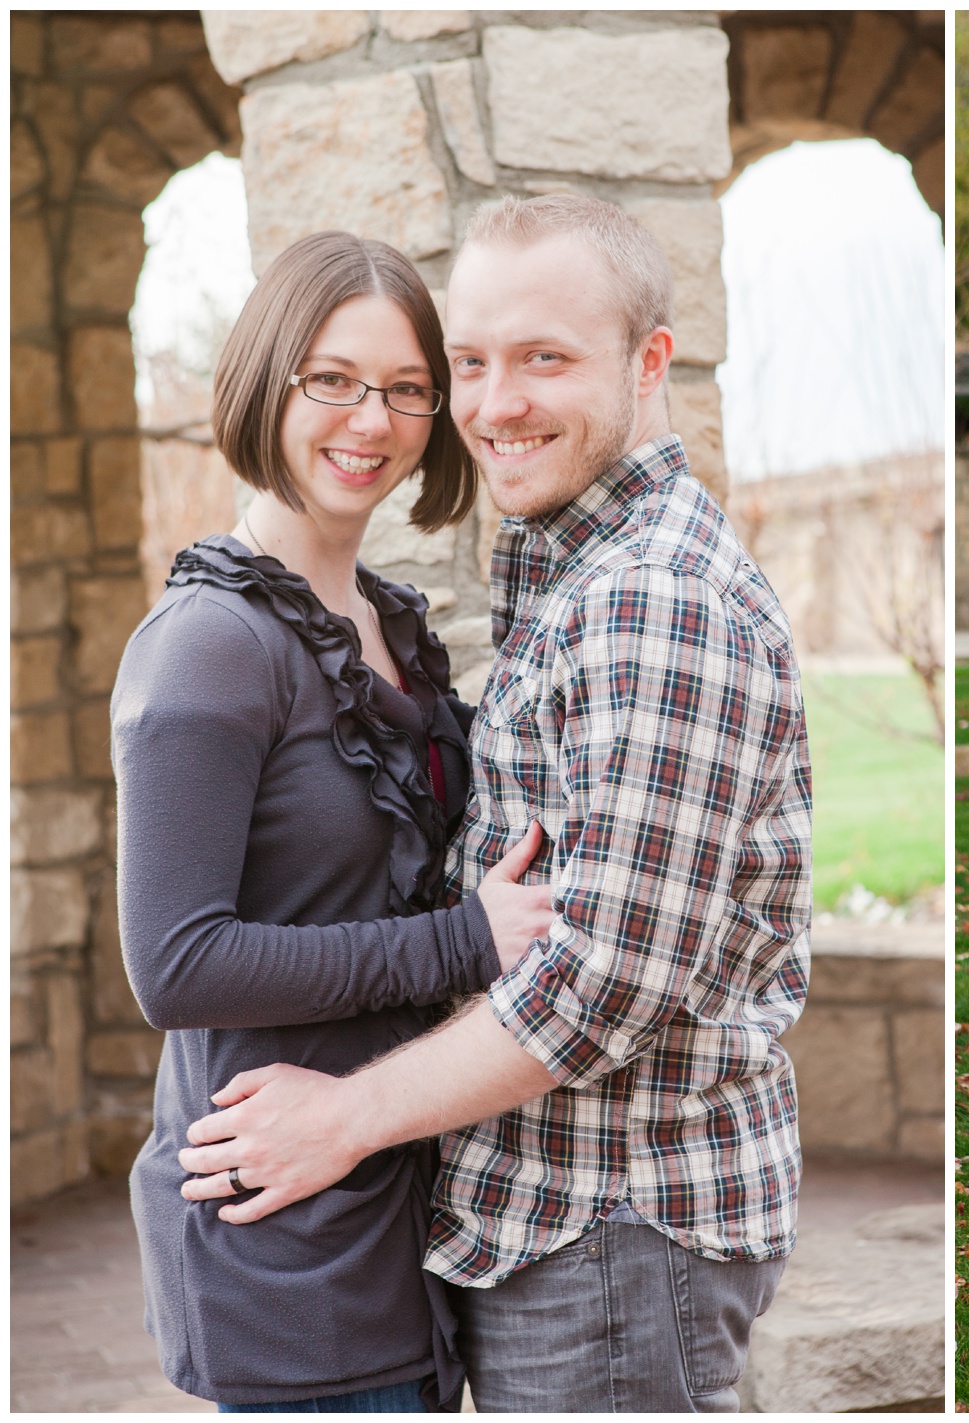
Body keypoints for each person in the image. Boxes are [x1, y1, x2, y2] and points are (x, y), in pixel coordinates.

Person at [170, 193, 813, 1413]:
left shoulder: (654, 602)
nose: (493, 402)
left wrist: (345, 1117)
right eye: (470, 363)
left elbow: (600, 982)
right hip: (552, 1224)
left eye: (545, 359)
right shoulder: (569, 573)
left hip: (613, 1229)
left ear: (649, 361)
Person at [113, 230, 557, 1412]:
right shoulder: (209, 647)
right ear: (268, 377)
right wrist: (466, 940)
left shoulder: (392, 624)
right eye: (333, 379)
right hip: (280, 1237)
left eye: (408, 390)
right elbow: (175, 964)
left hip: (402, 1204)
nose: (372, 421)